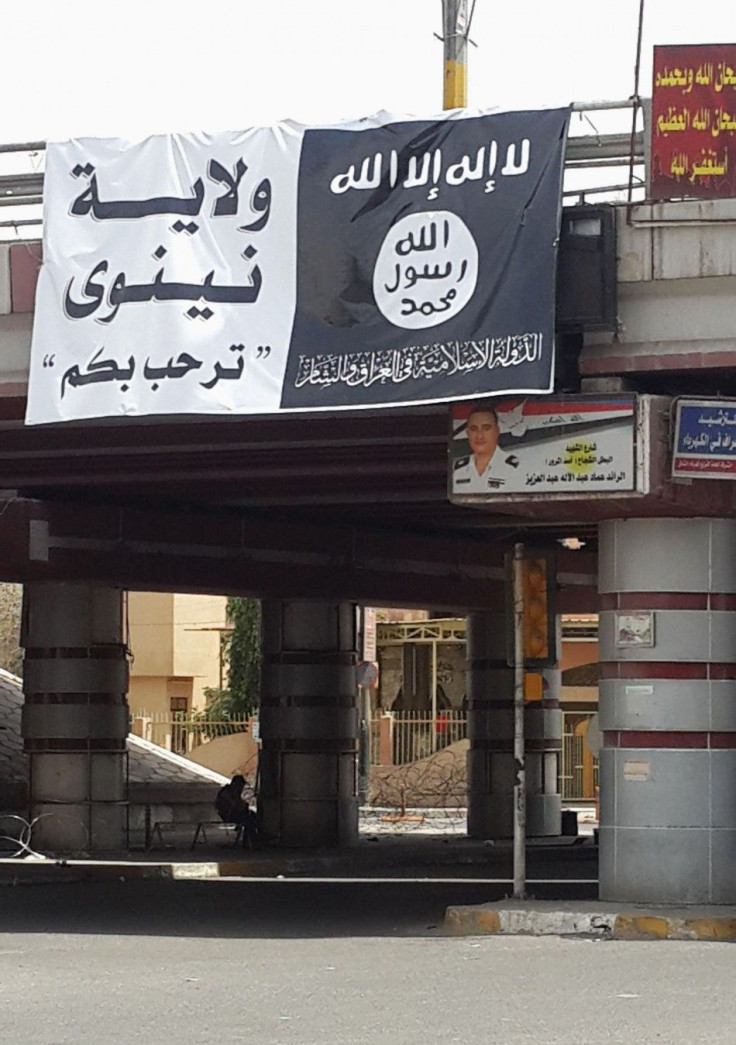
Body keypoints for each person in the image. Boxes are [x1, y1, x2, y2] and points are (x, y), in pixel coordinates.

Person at [452, 402, 520, 493]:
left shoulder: (514, 467)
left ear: (497, 431)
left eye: (486, 428)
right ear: (467, 433)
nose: (479, 436)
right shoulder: (458, 469)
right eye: (473, 429)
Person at [215, 774, 258, 849]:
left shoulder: (234, 791)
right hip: (228, 814)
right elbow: (236, 805)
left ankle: (250, 841)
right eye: (240, 785)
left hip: (234, 813)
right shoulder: (227, 792)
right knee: (249, 820)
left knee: (252, 817)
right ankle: (251, 842)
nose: (241, 787)